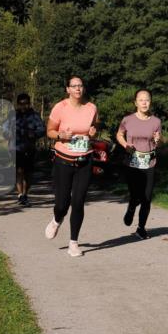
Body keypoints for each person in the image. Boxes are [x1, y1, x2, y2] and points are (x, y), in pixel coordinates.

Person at [45, 76, 99, 257]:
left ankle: (73, 243)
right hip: (63, 160)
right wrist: (61, 136)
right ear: (67, 89)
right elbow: (49, 131)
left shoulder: (91, 108)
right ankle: (56, 219)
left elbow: (93, 128)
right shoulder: (60, 108)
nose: (78, 89)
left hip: (85, 160)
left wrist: (92, 133)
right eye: (74, 86)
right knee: (62, 204)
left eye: (80, 86)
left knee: (78, 202)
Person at [116, 89, 162, 240]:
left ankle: (141, 228)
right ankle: (131, 207)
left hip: (149, 163)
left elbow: (159, 142)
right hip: (132, 163)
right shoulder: (127, 119)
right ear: (135, 102)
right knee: (136, 195)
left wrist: (158, 140)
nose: (144, 102)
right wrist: (125, 145)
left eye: (147, 99)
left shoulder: (156, 121)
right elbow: (119, 134)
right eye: (141, 100)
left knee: (147, 198)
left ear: (151, 102)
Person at [9, 94, 45, 206]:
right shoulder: (13, 115)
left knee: (28, 173)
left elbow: (42, 129)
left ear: (29, 103)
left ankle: (25, 193)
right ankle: (20, 195)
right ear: (18, 104)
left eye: (26, 103)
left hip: (29, 148)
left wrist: (34, 133)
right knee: (19, 171)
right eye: (21, 104)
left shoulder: (34, 116)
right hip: (16, 148)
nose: (23, 106)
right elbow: (5, 128)